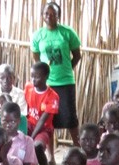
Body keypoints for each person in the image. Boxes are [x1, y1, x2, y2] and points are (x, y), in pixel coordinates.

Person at [31, 1, 82, 147]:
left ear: (58, 16)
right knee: (49, 120)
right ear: (42, 15)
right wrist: (45, 75)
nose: (50, 17)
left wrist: (67, 69)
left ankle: (77, 147)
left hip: (66, 82)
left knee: (71, 117)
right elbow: (37, 59)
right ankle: (51, 156)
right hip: (47, 84)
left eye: (53, 14)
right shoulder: (38, 36)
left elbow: (77, 55)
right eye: (47, 13)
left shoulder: (67, 33)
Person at [24, 62, 59, 165]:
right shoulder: (28, 88)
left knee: (37, 147)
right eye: (32, 76)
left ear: (46, 77)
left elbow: (42, 121)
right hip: (28, 124)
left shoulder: (52, 96)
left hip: (43, 129)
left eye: (37, 77)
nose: (33, 80)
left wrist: (30, 138)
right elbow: (24, 110)